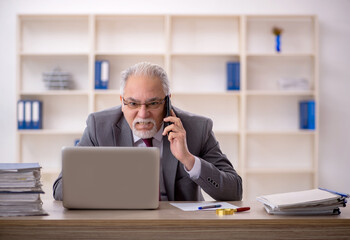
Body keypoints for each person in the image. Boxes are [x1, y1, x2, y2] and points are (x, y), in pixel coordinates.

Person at [53, 62, 242, 201]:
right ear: (122, 101)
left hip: (178, 231)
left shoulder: (197, 128)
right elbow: (61, 189)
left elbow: (234, 191)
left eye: (153, 103)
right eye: (133, 103)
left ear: (167, 101)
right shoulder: (99, 127)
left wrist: (188, 160)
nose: (142, 114)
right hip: (120, 227)